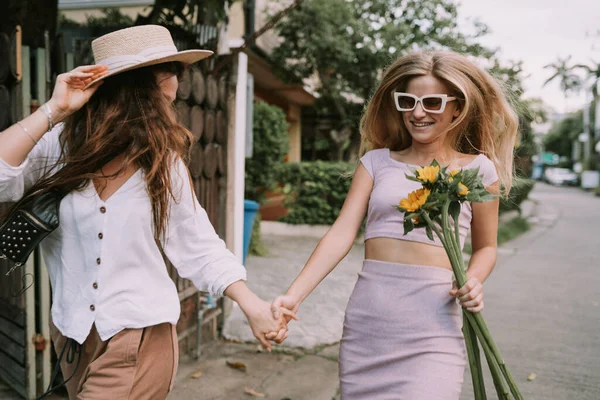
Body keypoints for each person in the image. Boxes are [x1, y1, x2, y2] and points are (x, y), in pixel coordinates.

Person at [0, 25, 293, 399]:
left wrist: (252, 306)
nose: (168, 110)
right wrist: (53, 110)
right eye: (161, 98)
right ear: (129, 95)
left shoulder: (162, 164)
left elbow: (199, 246)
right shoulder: (58, 148)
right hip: (72, 340)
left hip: (139, 340)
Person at [267, 51, 519, 399]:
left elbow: (486, 247)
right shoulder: (375, 163)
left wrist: (473, 281)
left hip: (433, 332)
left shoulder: (478, 170)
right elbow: (341, 233)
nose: (418, 113)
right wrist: (293, 296)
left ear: (456, 108)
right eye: (408, 102)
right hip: (368, 328)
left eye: (431, 102)